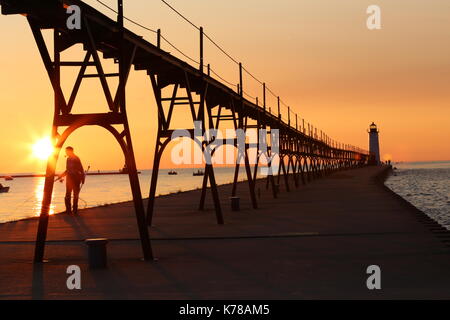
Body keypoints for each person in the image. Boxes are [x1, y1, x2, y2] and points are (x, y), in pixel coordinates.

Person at [58, 146, 85, 214]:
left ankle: (74, 210)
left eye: (66, 151)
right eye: (65, 151)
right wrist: (61, 175)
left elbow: (81, 169)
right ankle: (69, 210)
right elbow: (68, 170)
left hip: (76, 179)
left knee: (75, 195)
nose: (66, 152)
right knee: (68, 195)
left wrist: (82, 178)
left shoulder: (76, 158)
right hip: (69, 179)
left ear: (70, 151)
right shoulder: (68, 159)